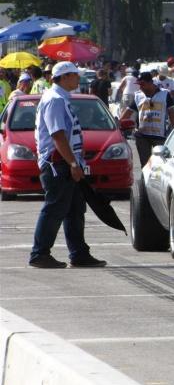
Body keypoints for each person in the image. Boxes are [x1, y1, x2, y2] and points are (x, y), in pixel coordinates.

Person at [29, 61, 106, 268]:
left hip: (66, 161)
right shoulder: (55, 100)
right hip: (58, 163)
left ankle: (79, 253)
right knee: (55, 208)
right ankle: (39, 253)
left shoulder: (62, 98)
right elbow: (58, 135)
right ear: (63, 77)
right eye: (74, 75)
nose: (78, 78)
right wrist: (72, 163)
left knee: (74, 209)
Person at [120, 72, 174, 167]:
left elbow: (172, 115)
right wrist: (116, 125)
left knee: (161, 165)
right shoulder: (138, 96)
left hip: (160, 137)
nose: (140, 87)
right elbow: (128, 113)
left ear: (151, 82)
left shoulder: (165, 94)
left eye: (143, 84)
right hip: (142, 137)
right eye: (139, 85)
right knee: (145, 166)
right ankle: (144, 182)